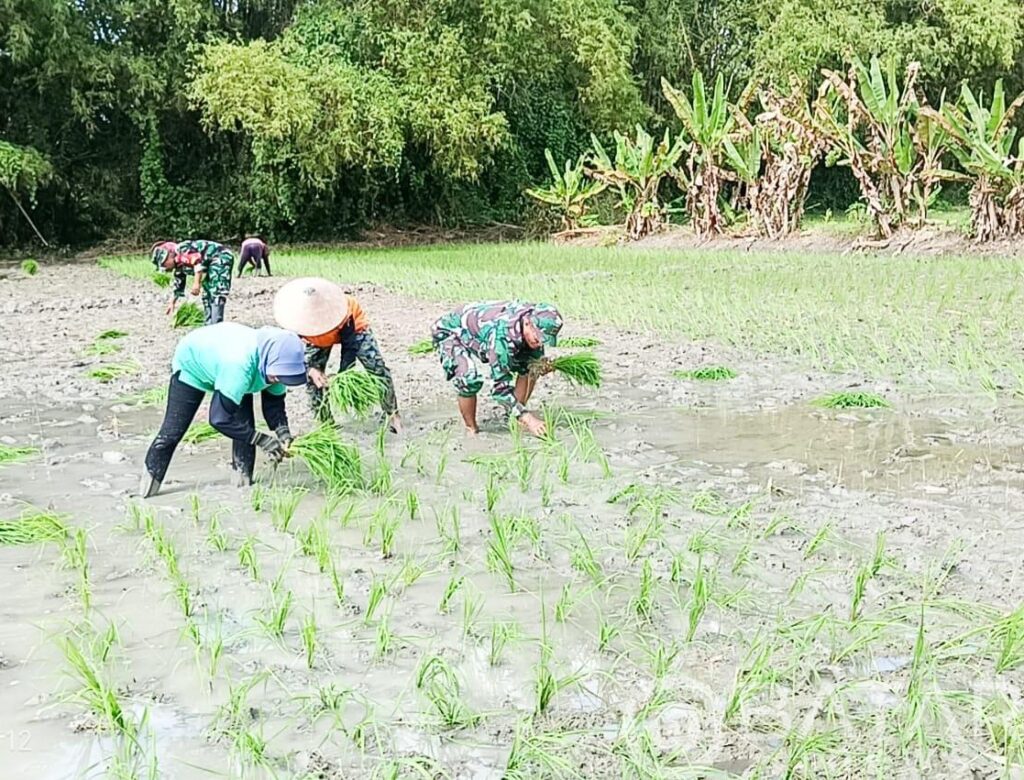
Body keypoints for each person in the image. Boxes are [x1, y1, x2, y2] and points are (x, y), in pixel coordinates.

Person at [139, 323, 307, 498]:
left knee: (244, 426)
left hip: (232, 367)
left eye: (282, 378)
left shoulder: (279, 364)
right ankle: (147, 490)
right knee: (171, 433)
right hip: (194, 363)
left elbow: (274, 405)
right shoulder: (239, 367)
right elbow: (219, 418)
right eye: (275, 377)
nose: (276, 381)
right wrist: (262, 440)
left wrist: (283, 433)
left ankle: (243, 487)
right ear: (268, 362)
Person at [273, 277, 402, 433]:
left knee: (378, 369)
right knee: (313, 380)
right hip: (316, 339)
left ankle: (392, 415)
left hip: (355, 330)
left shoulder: (343, 310)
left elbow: (349, 347)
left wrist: (344, 376)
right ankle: (325, 423)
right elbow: (289, 353)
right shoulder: (294, 321)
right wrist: (310, 369)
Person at [431, 301, 563, 438]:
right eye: (538, 337)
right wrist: (529, 419)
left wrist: (541, 365)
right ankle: (471, 430)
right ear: (528, 323)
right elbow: (500, 390)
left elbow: (533, 364)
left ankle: (514, 416)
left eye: (544, 340)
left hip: (484, 326)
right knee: (468, 380)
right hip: (452, 331)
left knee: (531, 368)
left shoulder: (535, 317)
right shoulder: (502, 339)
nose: (539, 342)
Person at [152, 239, 235, 325]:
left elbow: (197, 262)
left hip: (220, 256)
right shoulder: (178, 265)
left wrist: (196, 284)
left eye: (164, 264)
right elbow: (178, 283)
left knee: (216, 290)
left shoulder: (182, 251)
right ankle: (209, 325)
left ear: (169, 256)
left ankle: (216, 324)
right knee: (207, 294)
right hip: (209, 264)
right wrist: (172, 302)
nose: (166, 269)